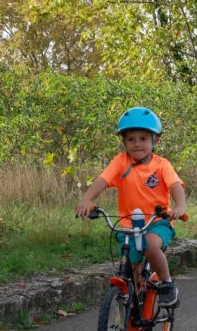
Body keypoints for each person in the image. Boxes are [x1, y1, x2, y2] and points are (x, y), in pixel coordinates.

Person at [76, 107, 186, 307]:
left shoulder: (162, 165)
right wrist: (87, 199)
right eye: (131, 139)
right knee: (132, 269)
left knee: (150, 247)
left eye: (143, 139)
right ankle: (133, 308)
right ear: (123, 142)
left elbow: (175, 186)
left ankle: (167, 283)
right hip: (126, 226)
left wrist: (180, 206)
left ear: (155, 140)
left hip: (156, 223)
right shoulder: (120, 162)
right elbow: (102, 180)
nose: (137, 144)